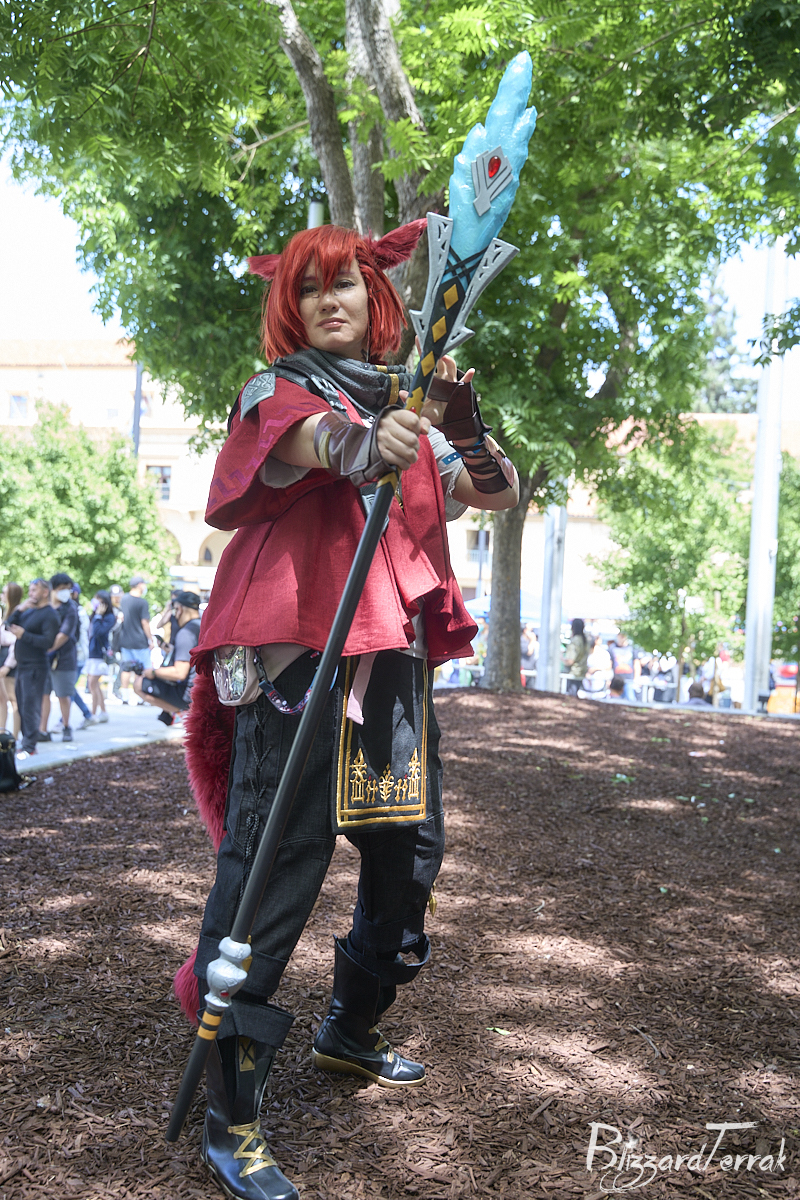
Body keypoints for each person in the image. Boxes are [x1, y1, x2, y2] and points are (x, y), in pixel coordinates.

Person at [172, 221, 520, 1200]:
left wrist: (458, 423)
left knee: (408, 857)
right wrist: (374, 439)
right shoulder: (274, 391)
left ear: (377, 301)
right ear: (291, 306)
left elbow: (494, 493)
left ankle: (349, 1029)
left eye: (346, 285)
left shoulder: (407, 400)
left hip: (388, 663)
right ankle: (232, 1115)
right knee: (274, 870)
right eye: (309, 287)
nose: (330, 301)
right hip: (294, 658)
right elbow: (328, 446)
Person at [6, 578, 60, 759]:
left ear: (45, 592)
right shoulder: (29, 612)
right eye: (30, 590)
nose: (31, 594)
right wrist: (20, 609)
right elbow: (9, 625)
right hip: (22, 666)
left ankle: (30, 746)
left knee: (30, 707)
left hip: (36, 667)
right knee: (21, 706)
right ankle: (25, 742)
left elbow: (48, 642)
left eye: (34, 590)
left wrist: (24, 635)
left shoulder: (50, 615)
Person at [134, 591, 201, 724]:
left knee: (138, 683)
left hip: (188, 694)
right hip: (202, 689)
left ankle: (182, 713)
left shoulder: (185, 633)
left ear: (179, 609)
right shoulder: (202, 626)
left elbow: (179, 673)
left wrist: (153, 672)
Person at [42, 572, 81, 742]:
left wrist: (48, 648)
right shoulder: (44, 606)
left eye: (68, 588)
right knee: (44, 694)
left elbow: (64, 634)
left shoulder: (70, 608)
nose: (66, 592)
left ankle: (66, 726)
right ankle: (42, 730)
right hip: (43, 659)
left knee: (63, 695)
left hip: (64, 658)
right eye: (62, 588)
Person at [118, 575, 154, 703]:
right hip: (139, 641)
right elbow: (145, 622)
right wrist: (150, 639)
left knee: (126, 668)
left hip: (125, 640)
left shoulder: (123, 599)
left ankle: (125, 696)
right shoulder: (142, 602)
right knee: (143, 669)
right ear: (139, 585)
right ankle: (140, 696)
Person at [84, 591, 117, 724]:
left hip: (99, 653)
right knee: (94, 684)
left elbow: (98, 632)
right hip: (91, 652)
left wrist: (98, 616)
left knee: (92, 683)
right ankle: (103, 712)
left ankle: (93, 713)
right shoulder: (94, 616)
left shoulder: (109, 617)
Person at [69, 582, 93, 729]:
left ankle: (63, 721)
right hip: (71, 655)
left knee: (68, 688)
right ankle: (87, 714)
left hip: (79, 655)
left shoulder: (79, 612)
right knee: (69, 688)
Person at [0, 581, 22, 736]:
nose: (2, 595)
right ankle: (2, 734)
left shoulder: (17, 614)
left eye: (4, 592)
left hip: (11, 661)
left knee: (13, 700)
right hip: (3, 659)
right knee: (2, 699)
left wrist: (8, 665)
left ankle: (14, 737)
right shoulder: (6, 613)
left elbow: (15, 643)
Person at [608, 631, 640, 701]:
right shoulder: (612, 648)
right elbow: (610, 664)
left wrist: (637, 678)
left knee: (631, 700)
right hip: (616, 681)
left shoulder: (632, 647)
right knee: (615, 701)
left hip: (629, 680)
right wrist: (609, 679)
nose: (622, 637)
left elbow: (636, 663)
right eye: (620, 635)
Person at [563, 618, 590, 696]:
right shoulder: (585, 640)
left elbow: (570, 661)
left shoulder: (575, 640)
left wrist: (561, 658)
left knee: (571, 696)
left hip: (573, 673)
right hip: (581, 673)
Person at [583, 633, 612, 697]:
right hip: (586, 684)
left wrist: (595, 669)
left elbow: (608, 667)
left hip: (599, 682)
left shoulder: (604, 653)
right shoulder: (586, 653)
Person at [520, 622, 538, 689]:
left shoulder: (529, 641)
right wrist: (533, 640)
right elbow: (529, 651)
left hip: (531, 669)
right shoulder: (521, 641)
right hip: (524, 670)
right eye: (530, 630)